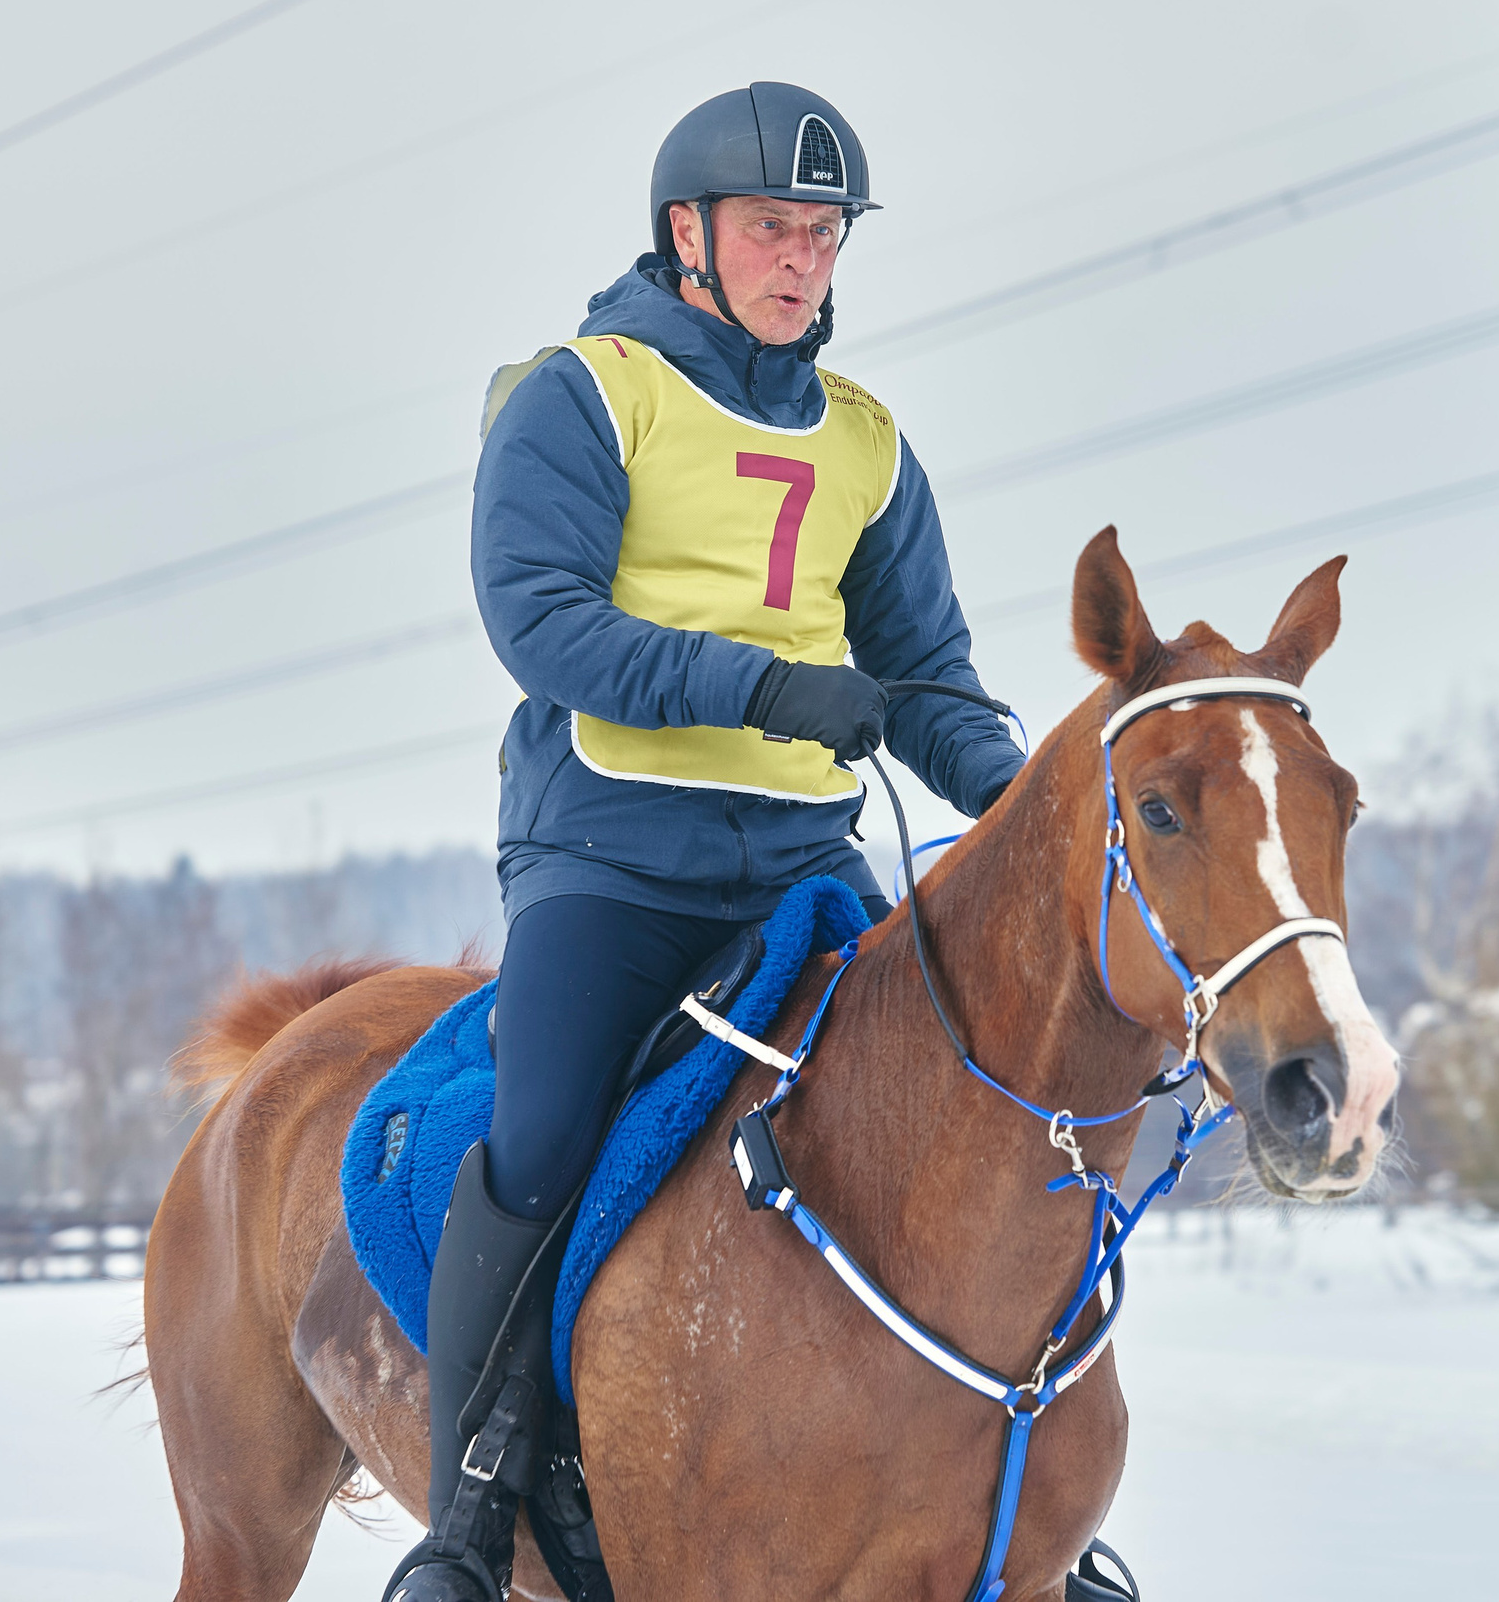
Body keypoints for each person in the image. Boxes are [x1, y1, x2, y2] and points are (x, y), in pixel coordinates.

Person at [386, 81, 1025, 1602]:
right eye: (771, 230)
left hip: (805, 863)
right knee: (541, 1137)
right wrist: (759, 683)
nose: (801, 261)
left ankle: (1017, 1502)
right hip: (611, 855)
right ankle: (469, 1520)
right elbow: (541, 625)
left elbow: (925, 675)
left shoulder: (868, 443)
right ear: (688, 233)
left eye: (821, 234)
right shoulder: (586, 395)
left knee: (958, 1117)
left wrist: (1018, 800)